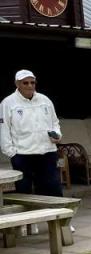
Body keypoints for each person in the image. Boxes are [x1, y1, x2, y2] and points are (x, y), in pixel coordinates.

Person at [1, 69, 63, 197]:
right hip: (23, 155)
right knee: (24, 192)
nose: (30, 86)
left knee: (52, 189)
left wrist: (57, 134)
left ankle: (55, 215)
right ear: (17, 84)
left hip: (47, 153)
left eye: (32, 82)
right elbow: (4, 129)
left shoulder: (45, 100)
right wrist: (12, 153)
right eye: (25, 83)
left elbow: (55, 122)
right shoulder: (7, 103)